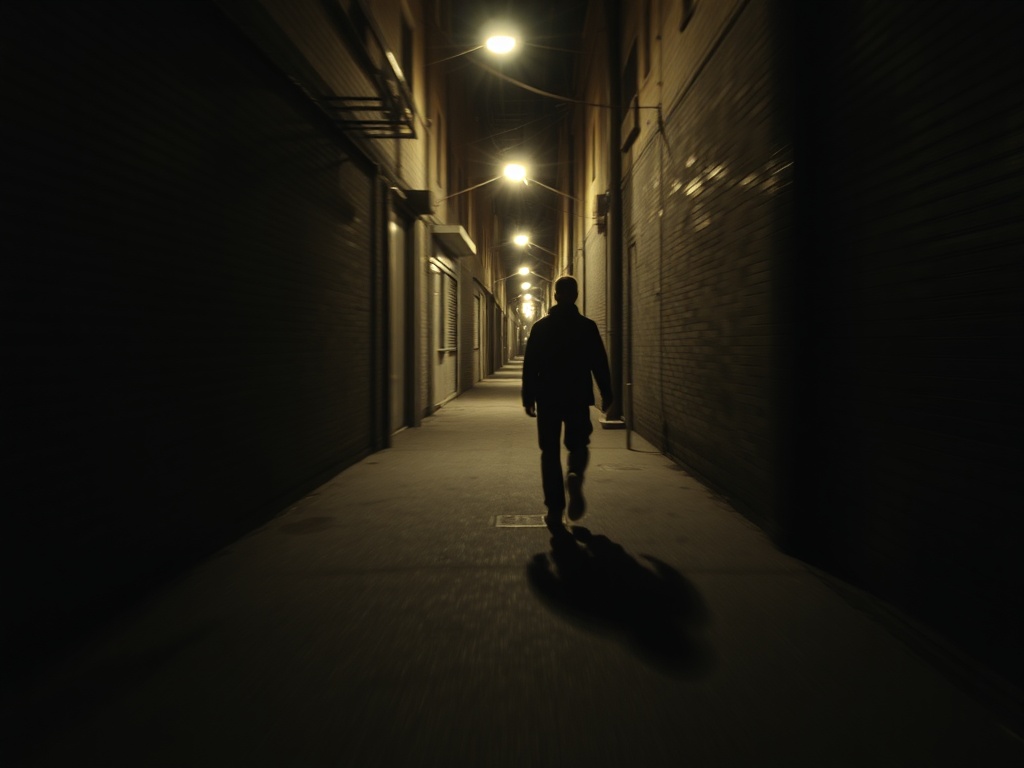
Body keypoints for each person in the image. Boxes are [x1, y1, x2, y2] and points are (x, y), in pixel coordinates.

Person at [522, 276, 613, 534]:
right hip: (577, 396)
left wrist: (528, 397)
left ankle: (554, 509)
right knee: (579, 444)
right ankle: (574, 474)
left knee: (549, 452)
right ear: (575, 295)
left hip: (548, 397)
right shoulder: (587, 327)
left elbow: (531, 366)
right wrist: (607, 393)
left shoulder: (541, 327)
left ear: (554, 295)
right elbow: (599, 362)